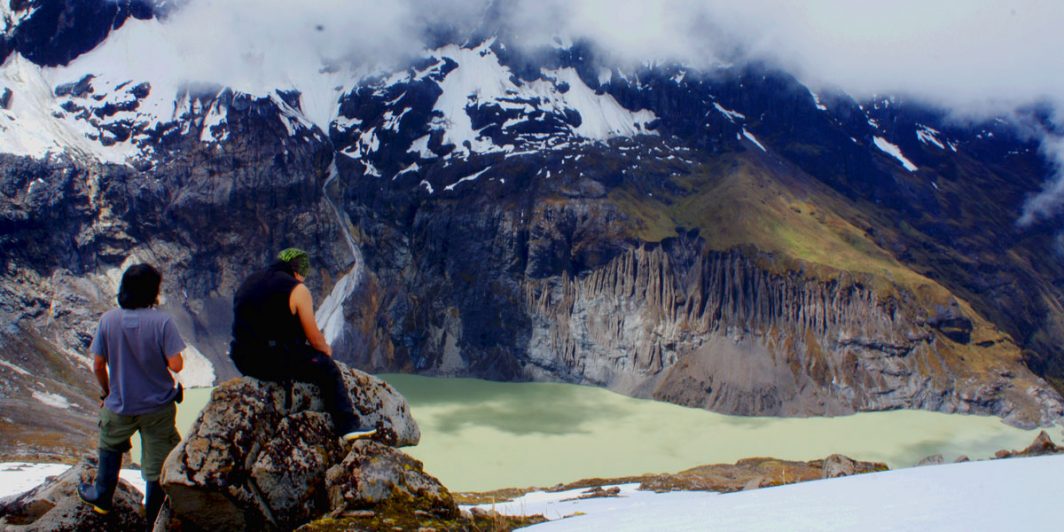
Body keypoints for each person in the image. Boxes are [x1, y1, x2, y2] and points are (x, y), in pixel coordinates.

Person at [229, 248, 374, 442]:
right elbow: (314, 338)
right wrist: (325, 351)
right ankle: (347, 425)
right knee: (327, 369)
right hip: (272, 360)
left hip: (243, 359)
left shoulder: (249, 281)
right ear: (298, 271)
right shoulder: (297, 289)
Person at [79, 263, 184, 527]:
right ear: (153, 292)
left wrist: (107, 391)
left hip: (119, 404)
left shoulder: (108, 320)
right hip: (157, 406)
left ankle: (102, 498)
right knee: (156, 461)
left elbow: (98, 364)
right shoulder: (162, 322)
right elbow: (176, 365)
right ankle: (154, 517)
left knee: (110, 445)